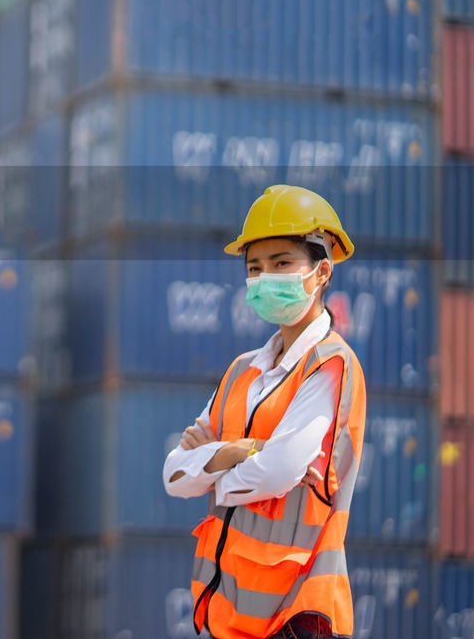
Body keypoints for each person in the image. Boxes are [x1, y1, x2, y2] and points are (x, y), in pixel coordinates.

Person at [163, 185, 367, 639]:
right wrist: (234, 452)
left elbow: (278, 471)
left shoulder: (330, 365)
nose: (264, 277)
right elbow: (173, 476)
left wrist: (211, 468)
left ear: (321, 273)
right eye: (255, 267)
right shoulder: (241, 371)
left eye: (281, 263)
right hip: (231, 616)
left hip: (299, 617)